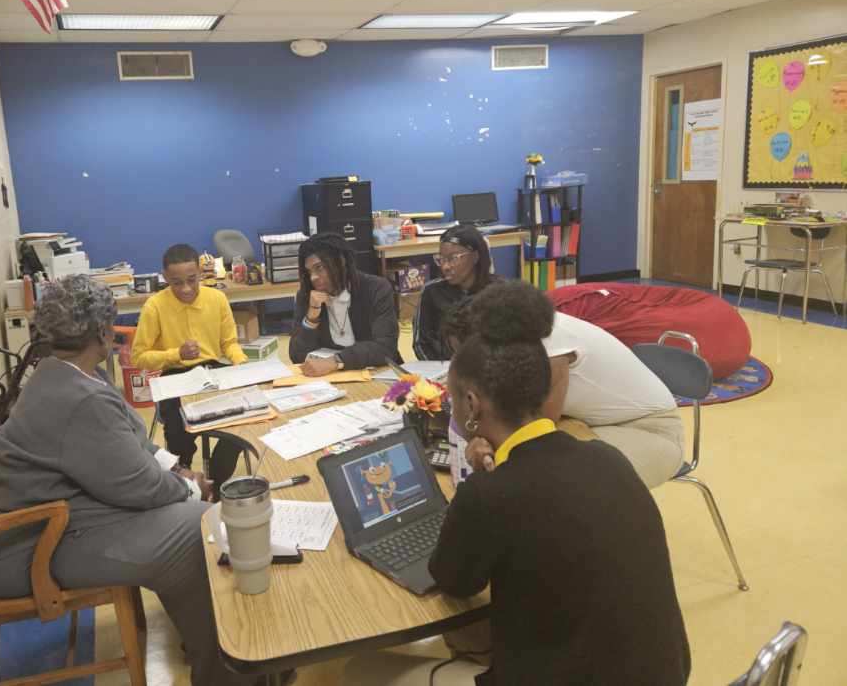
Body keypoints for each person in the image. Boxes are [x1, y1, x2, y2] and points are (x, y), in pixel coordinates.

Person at [343, 335, 690, 685]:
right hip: (665, 674)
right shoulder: (608, 457)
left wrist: (477, 490)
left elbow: (453, 580)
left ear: (472, 405)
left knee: (359, 670)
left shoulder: (488, 494)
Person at [0, 275, 254, 685]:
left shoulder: (64, 372)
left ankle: (214, 650)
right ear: (101, 330)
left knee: (187, 518)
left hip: (45, 521)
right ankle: (225, 672)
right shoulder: (82, 396)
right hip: (18, 549)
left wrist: (177, 470)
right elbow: (139, 487)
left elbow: (132, 438)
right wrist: (188, 486)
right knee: (196, 529)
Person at [444, 280, 684, 488]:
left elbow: (538, 432)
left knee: (544, 476)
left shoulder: (550, 345)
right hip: (593, 423)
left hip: (650, 431)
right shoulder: (522, 335)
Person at [132, 244, 247, 467]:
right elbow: (139, 357)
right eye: (176, 283)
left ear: (201, 274)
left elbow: (229, 343)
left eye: (192, 280)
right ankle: (185, 475)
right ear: (165, 278)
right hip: (174, 374)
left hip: (212, 368)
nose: (185, 289)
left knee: (244, 418)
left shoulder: (217, 299)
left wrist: (241, 363)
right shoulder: (154, 306)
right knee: (178, 429)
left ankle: (216, 477)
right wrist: (177, 354)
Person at [289, 232, 401, 374]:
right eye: (309, 271)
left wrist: (336, 361)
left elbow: (385, 347)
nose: (313, 277)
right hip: (330, 378)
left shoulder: (376, 288)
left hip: (377, 372)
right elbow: (296, 356)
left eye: (319, 268)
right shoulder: (307, 295)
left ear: (341, 261)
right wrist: (311, 319)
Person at [413, 225, 495, 361]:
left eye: (453, 258)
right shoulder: (431, 292)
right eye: (441, 259)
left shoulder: (499, 292)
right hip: (443, 370)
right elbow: (421, 344)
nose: (445, 267)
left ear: (475, 257)